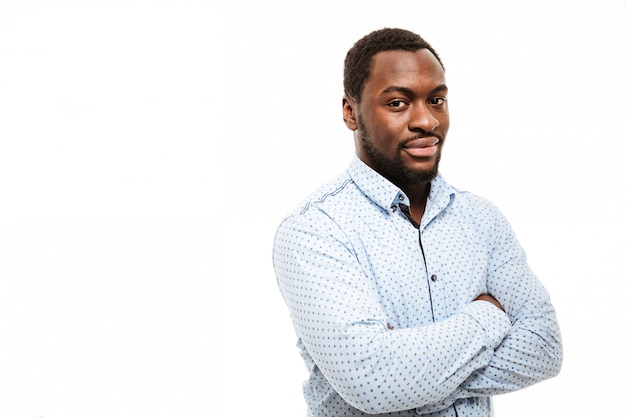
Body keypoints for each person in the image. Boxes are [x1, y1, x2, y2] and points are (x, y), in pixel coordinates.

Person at [272, 28, 563, 417]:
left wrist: (410, 378)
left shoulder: (482, 220)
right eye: (397, 103)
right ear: (350, 112)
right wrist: (487, 316)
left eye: (437, 100)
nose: (426, 120)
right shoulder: (315, 230)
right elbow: (373, 382)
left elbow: (544, 347)